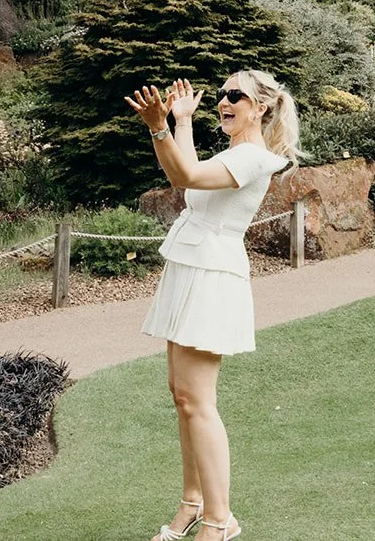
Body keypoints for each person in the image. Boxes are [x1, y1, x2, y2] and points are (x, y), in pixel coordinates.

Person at [128, 71, 299, 541]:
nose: (223, 101)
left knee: (198, 401)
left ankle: (220, 521)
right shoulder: (233, 152)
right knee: (182, 398)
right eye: (221, 94)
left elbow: (184, 174)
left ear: (260, 106)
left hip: (213, 275)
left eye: (235, 95)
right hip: (190, 266)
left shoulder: (256, 158)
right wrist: (181, 121)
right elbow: (190, 185)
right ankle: (192, 502)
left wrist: (157, 127)